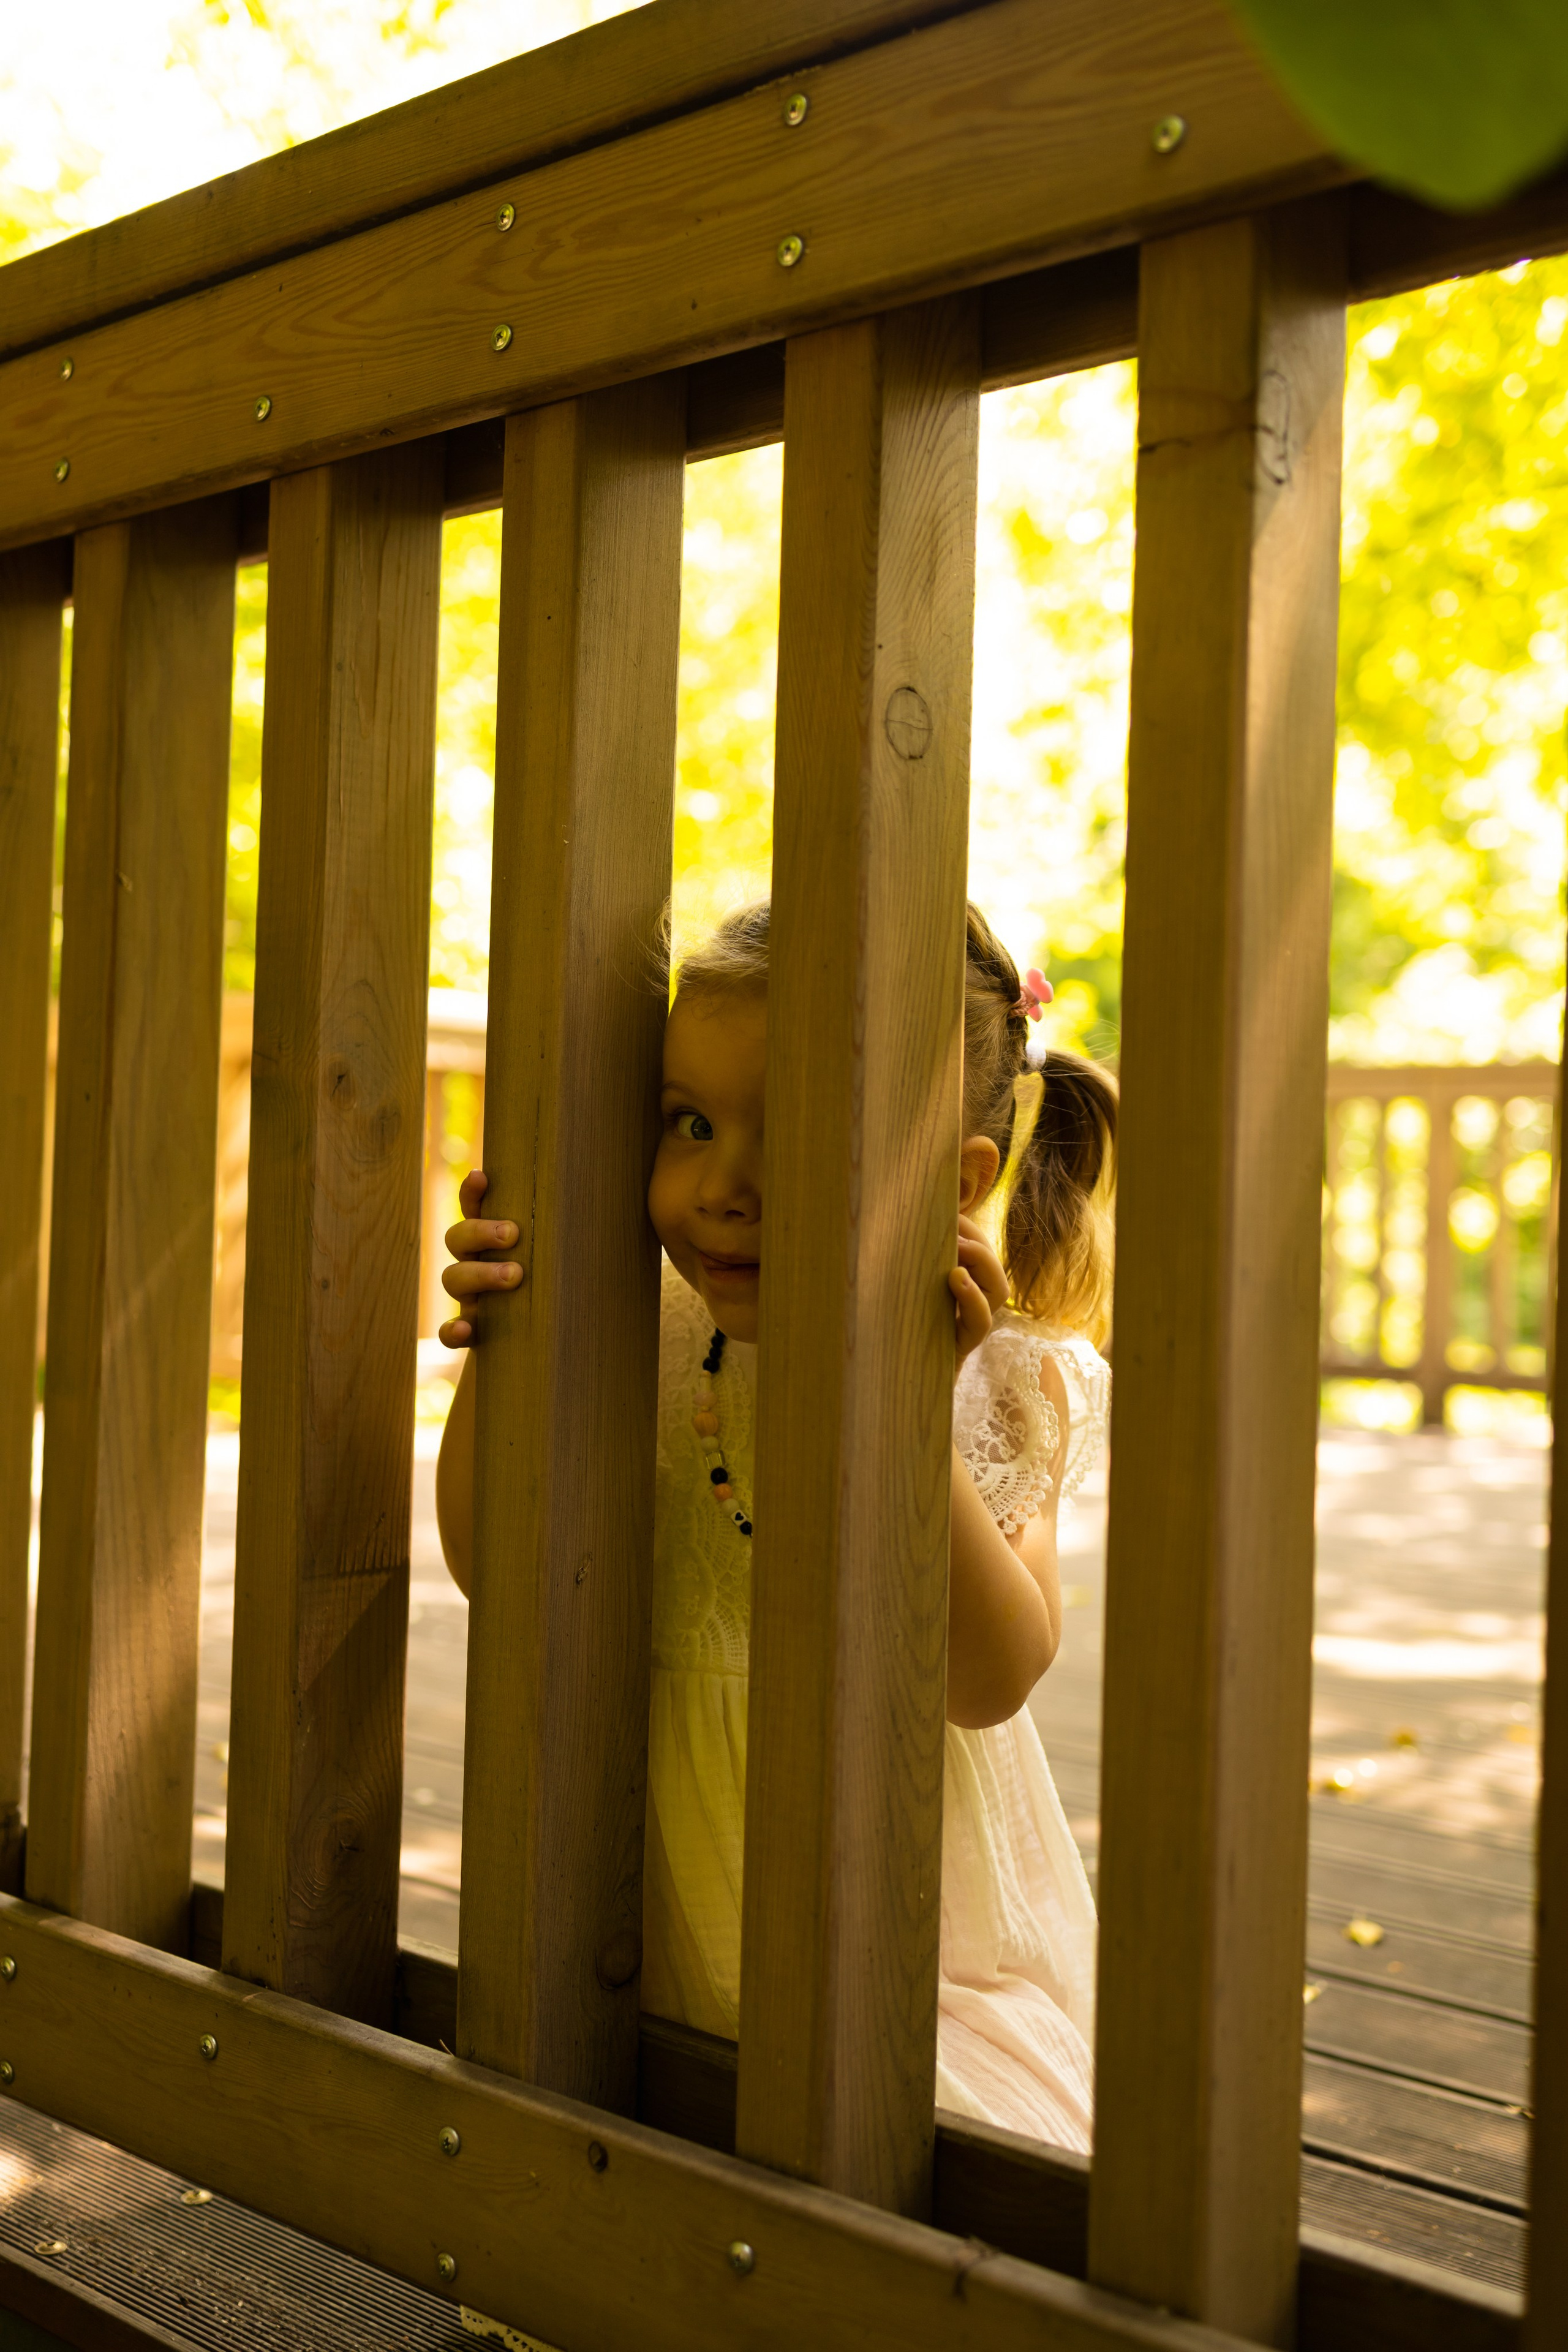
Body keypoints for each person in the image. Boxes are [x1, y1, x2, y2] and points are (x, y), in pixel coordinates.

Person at [435, 900, 1115, 2150]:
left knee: (948, 2183)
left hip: (902, 1951)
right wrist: (506, 1346)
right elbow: (493, 1566)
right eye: (688, 1124)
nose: (720, 1188)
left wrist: (901, 1408)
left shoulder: (998, 1381)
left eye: (791, 1133)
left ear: (953, 1184)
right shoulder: (637, 1335)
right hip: (646, 1943)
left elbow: (986, 1677)